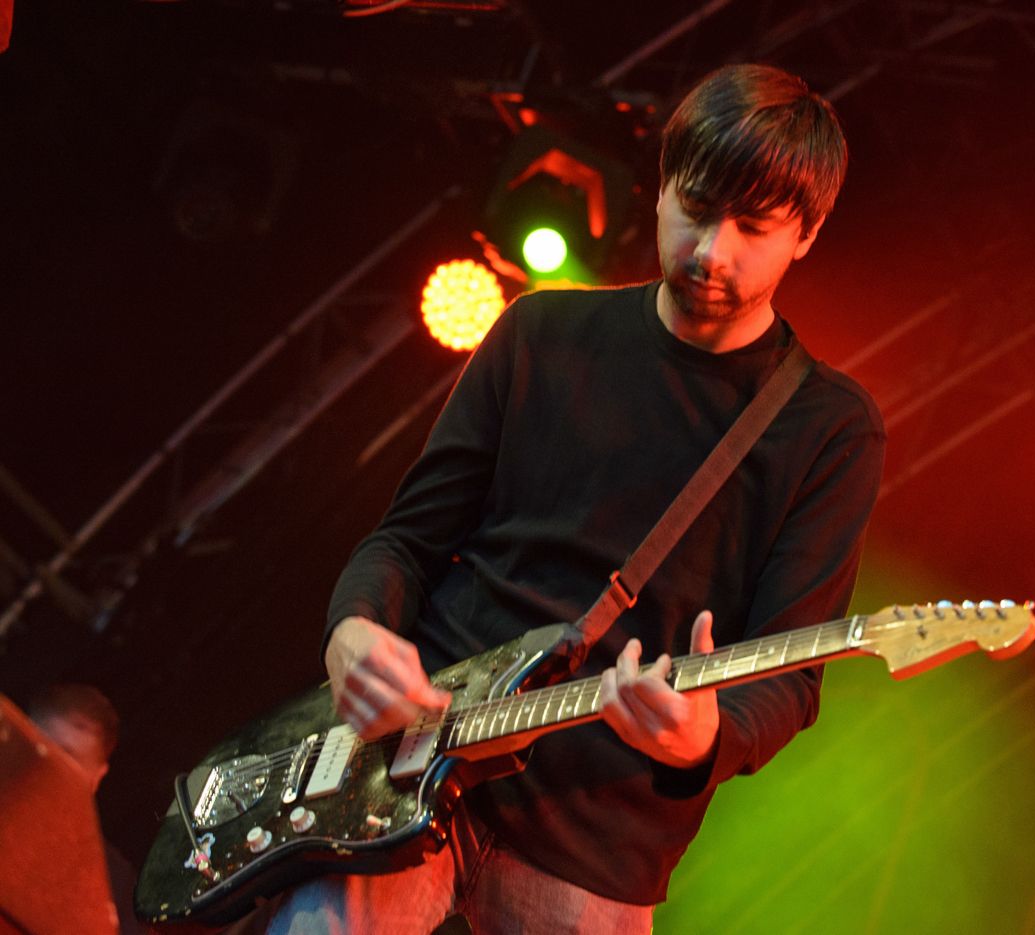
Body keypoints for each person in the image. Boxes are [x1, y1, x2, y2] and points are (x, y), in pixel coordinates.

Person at [273, 62, 885, 933]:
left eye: (752, 226)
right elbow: (405, 540)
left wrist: (701, 738)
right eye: (696, 208)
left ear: (808, 234)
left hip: (599, 840)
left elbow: (791, 681)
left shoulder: (828, 429)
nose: (712, 249)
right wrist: (354, 629)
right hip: (408, 770)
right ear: (662, 184)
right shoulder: (540, 330)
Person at [27, 683, 147, 935]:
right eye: (45, 750)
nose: (54, 771)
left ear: (97, 776)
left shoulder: (114, 882)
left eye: (71, 763)